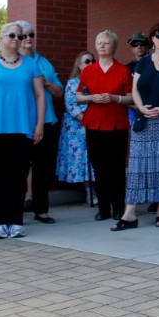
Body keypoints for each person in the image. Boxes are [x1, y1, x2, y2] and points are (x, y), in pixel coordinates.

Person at [0, 22, 46, 240]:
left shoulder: (31, 64)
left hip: (23, 129)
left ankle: (15, 221)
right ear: (1, 38)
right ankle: (0, 222)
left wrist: (40, 125)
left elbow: (40, 96)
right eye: (12, 35)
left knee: (18, 177)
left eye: (20, 36)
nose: (17, 39)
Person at [114, 20, 159, 231]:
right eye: (158, 35)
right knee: (137, 168)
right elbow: (135, 89)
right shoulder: (143, 62)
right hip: (144, 121)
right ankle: (129, 214)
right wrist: (140, 108)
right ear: (152, 38)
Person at [76, 30, 133, 223]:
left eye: (106, 43)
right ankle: (103, 209)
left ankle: (119, 208)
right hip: (94, 123)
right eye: (99, 42)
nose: (101, 46)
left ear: (113, 47)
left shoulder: (123, 70)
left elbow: (131, 98)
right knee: (99, 167)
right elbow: (79, 96)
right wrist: (91, 97)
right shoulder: (88, 71)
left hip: (117, 124)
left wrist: (114, 98)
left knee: (117, 168)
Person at [18, 20, 62, 224]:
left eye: (31, 35)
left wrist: (45, 82)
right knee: (18, 168)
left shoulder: (43, 63)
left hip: (45, 122)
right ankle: (16, 211)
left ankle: (41, 210)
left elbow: (58, 92)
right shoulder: (10, 63)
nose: (28, 38)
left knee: (42, 168)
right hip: (20, 124)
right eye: (23, 35)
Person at [57, 51, 96, 203]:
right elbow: (70, 105)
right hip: (77, 126)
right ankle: (89, 192)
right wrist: (86, 121)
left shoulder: (99, 80)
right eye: (87, 61)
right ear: (79, 66)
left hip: (96, 123)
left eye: (93, 61)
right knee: (82, 159)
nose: (91, 63)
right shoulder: (73, 82)